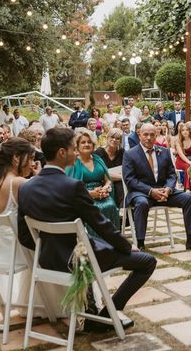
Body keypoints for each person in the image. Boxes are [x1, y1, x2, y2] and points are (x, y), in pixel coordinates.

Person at [17, 127, 156, 329]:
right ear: (62, 152)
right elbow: (101, 225)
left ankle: (95, 314)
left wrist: (46, 248)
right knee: (147, 261)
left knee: (98, 246)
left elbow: (24, 235)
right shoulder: (72, 186)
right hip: (80, 260)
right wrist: (126, 246)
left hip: (46, 260)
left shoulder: (26, 187)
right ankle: (108, 314)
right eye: (73, 148)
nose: (76, 152)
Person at [0, 138, 44, 314]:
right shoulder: (18, 183)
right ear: (16, 158)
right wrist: (38, 178)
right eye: (30, 158)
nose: (32, 164)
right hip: (19, 253)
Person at [123, 123, 191, 253]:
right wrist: (150, 191)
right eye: (145, 134)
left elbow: (172, 174)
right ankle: (140, 243)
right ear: (139, 135)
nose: (149, 138)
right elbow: (130, 180)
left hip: (164, 192)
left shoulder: (165, 152)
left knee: (189, 199)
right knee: (142, 203)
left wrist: (168, 188)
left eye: (152, 135)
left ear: (156, 135)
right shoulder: (130, 154)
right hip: (142, 193)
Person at [66, 130, 119, 235]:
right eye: (83, 142)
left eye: (89, 142)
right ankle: (95, 243)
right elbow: (70, 188)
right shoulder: (73, 162)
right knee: (96, 209)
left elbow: (107, 179)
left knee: (111, 205)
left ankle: (113, 241)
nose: (87, 144)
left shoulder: (98, 159)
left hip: (102, 194)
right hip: (84, 197)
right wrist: (90, 194)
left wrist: (106, 187)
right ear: (76, 145)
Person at [94, 128, 125, 205]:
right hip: (103, 182)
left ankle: (122, 212)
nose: (114, 140)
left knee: (122, 188)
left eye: (118, 138)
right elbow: (100, 173)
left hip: (119, 183)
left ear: (120, 141)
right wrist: (122, 177)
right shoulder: (98, 152)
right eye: (112, 137)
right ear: (107, 137)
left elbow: (126, 170)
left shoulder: (122, 152)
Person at [174, 123, 191, 191]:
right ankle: (187, 188)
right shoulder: (178, 141)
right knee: (188, 166)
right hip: (180, 161)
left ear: (189, 131)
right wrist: (189, 162)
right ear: (180, 132)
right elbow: (181, 154)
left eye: (187, 130)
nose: (185, 131)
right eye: (183, 130)